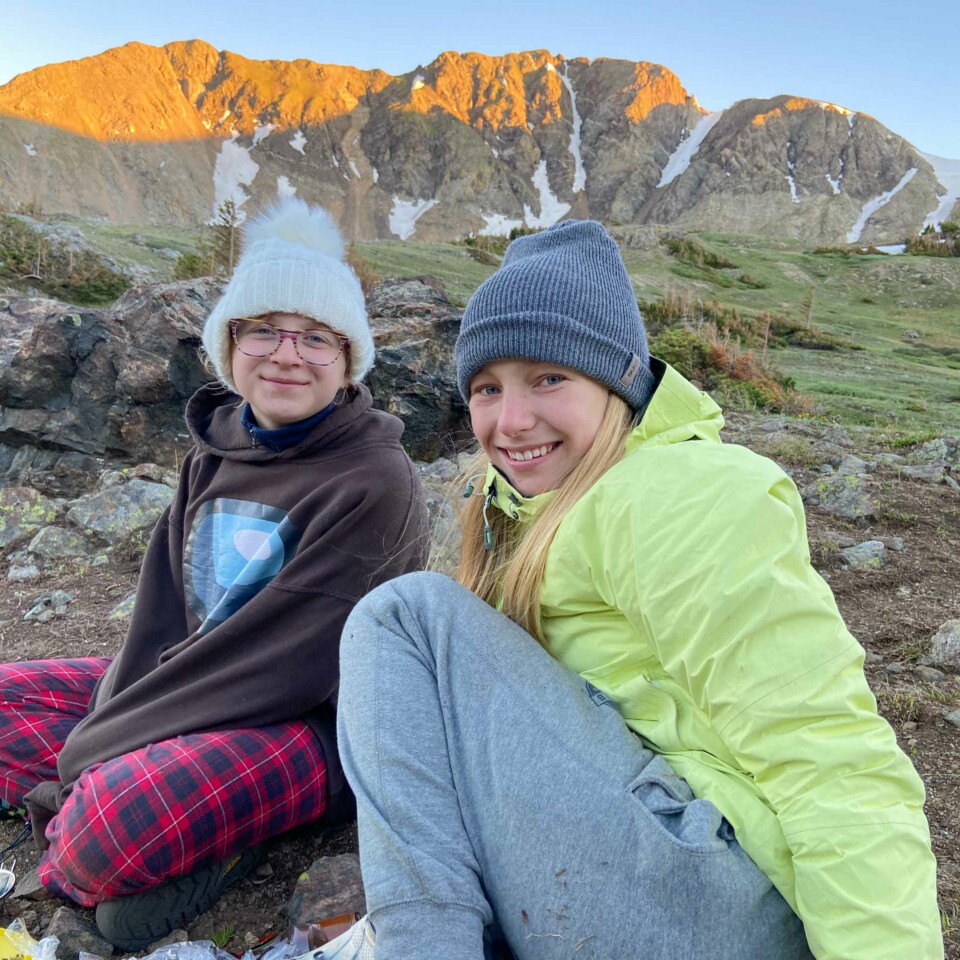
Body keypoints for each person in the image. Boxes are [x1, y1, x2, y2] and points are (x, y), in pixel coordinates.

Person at [335, 220, 943, 959]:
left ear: (616, 382)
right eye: (487, 388)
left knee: (405, 616)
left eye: (549, 377)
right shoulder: (517, 506)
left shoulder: (676, 494)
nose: (511, 419)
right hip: (664, 881)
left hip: (718, 906)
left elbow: (828, 755)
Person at [0, 197, 429, 950]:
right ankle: (156, 827)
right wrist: (117, 715)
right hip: (192, 680)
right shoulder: (216, 447)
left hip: (307, 724)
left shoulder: (375, 481)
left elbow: (288, 664)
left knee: (107, 821)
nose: (286, 354)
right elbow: (165, 612)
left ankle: (197, 842)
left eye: (316, 337)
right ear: (229, 343)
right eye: (263, 329)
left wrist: (101, 750)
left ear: (348, 356)